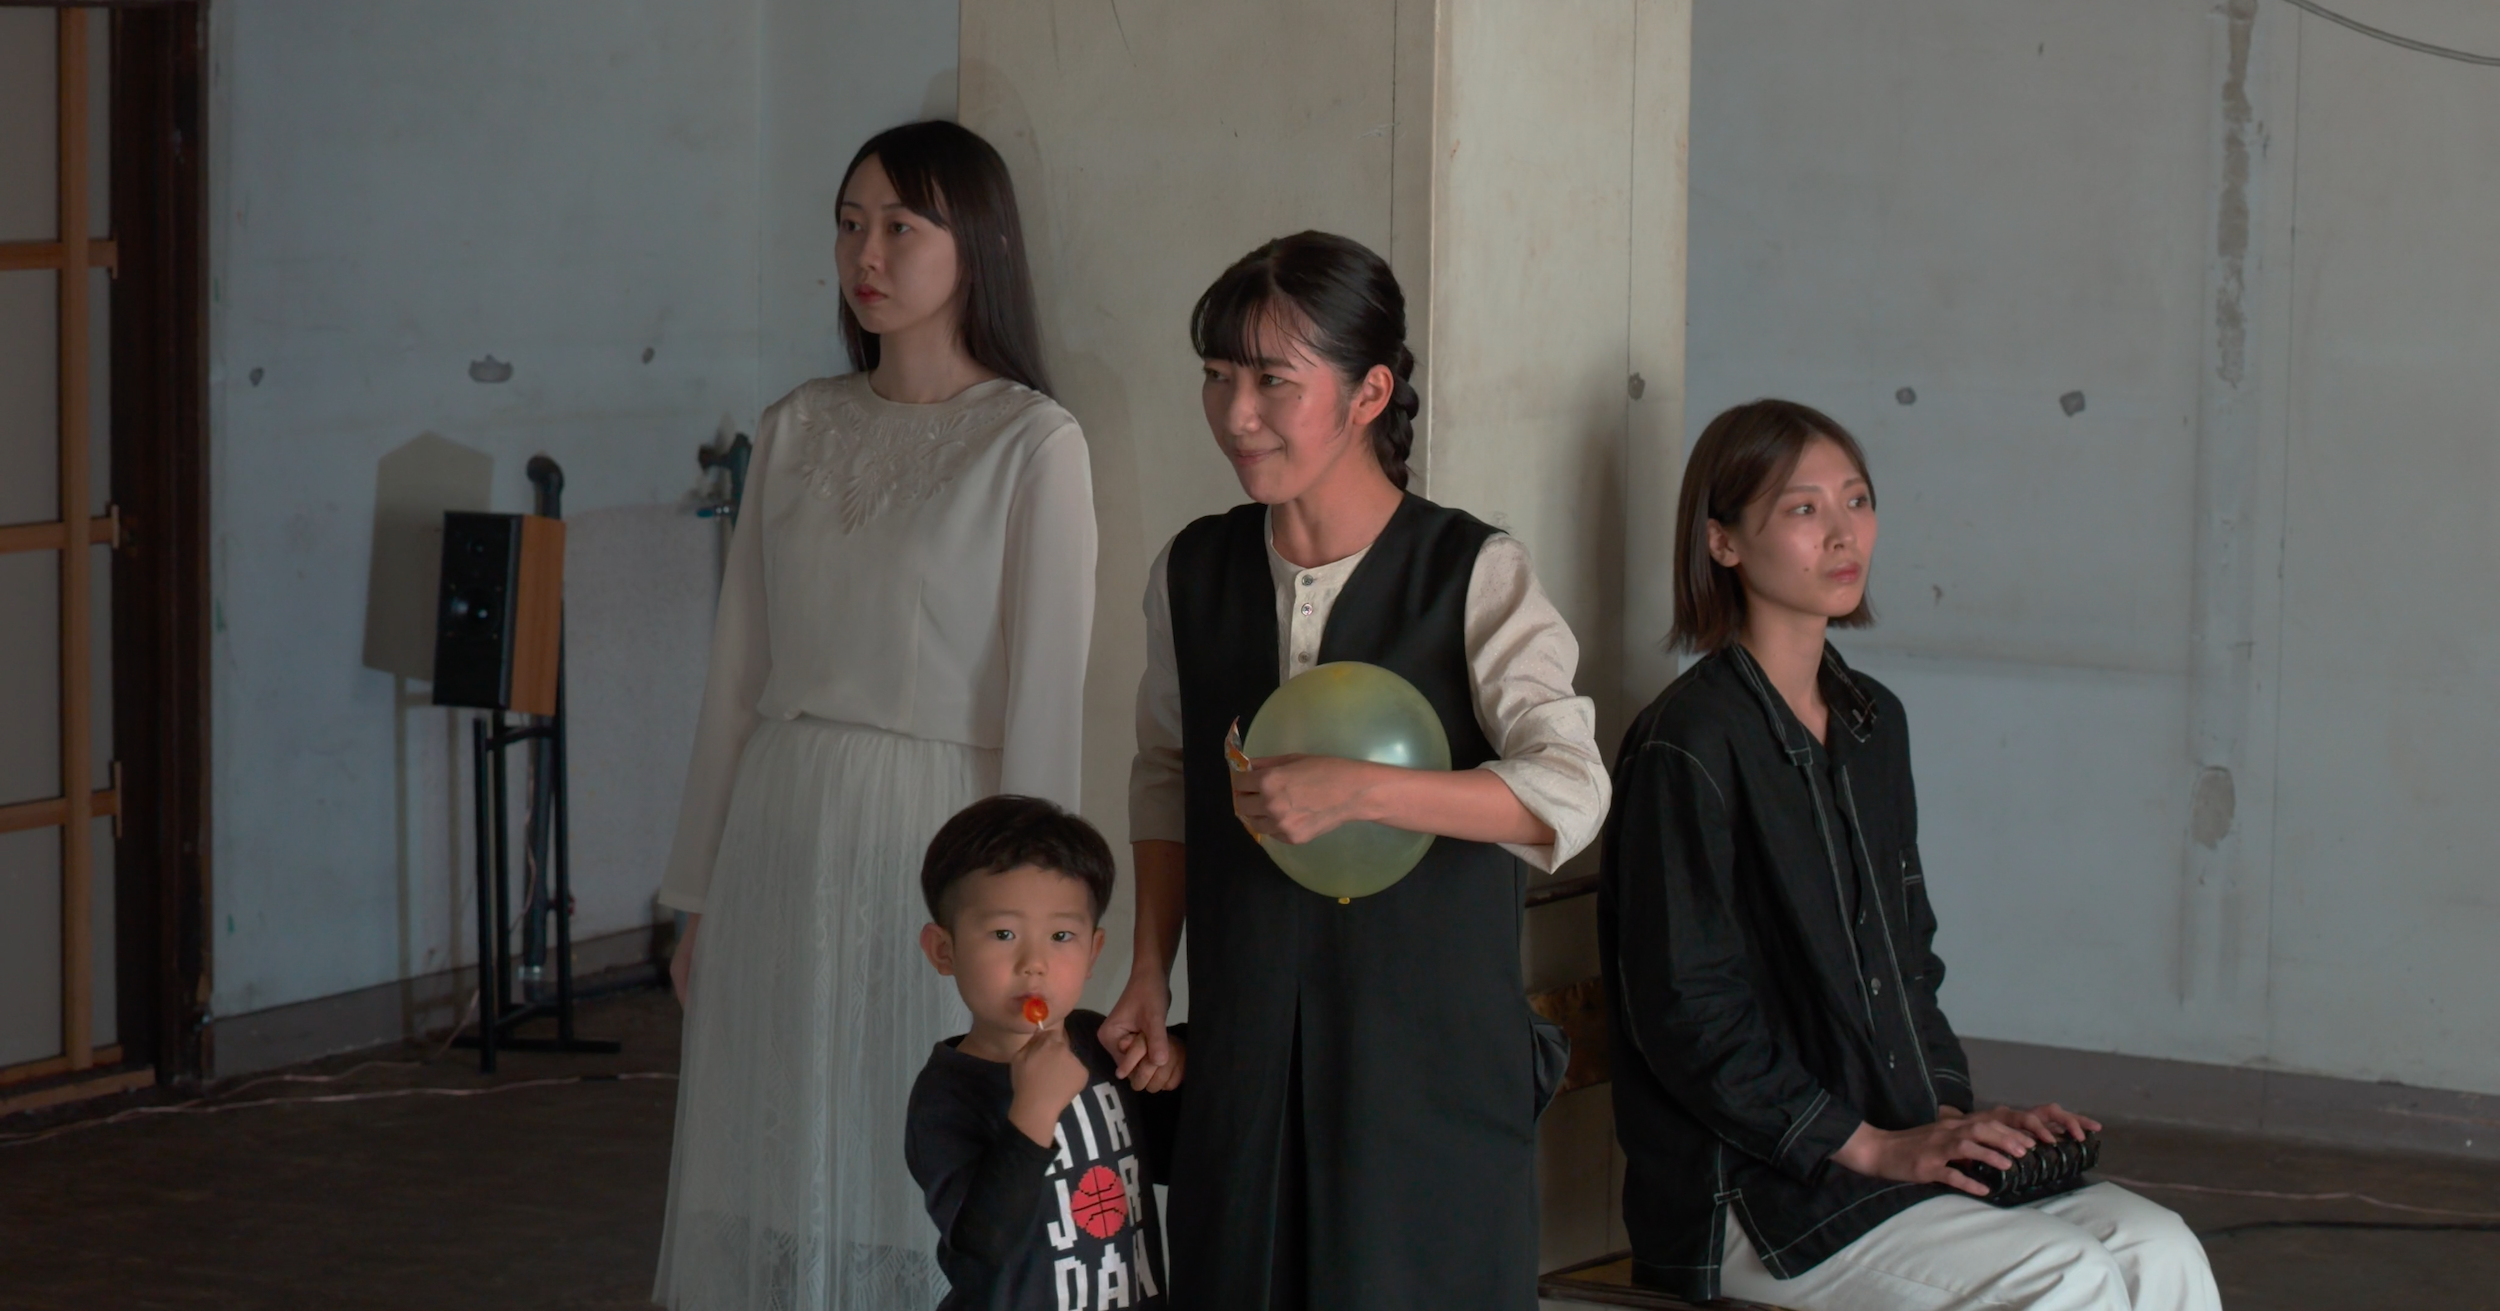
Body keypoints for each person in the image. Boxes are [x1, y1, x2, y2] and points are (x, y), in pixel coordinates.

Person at [1598, 399, 2221, 1310]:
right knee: (2067, 1276)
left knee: (2159, 1247)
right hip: (1754, 1195)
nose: (1843, 532)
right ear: (1722, 542)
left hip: (1888, 1149)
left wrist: (1957, 1122)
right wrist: (1871, 1145)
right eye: (1803, 508)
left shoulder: (1870, 722)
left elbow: (1908, 962)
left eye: (1857, 499)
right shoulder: (1687, 743)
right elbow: (1688, 1015)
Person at [1101, 231, 1612, 1309]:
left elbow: (1572, 788)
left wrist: (1368, 790)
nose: (1236, 413)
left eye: (1273, 382)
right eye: (1217, 376)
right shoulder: (1192, 571)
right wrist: (1149, 968)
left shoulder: (1473, 572)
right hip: (1245, 1063)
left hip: (1428, 1078)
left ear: (1369, 392)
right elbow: (1167, 776)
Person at [652, 121, 1098, 1311]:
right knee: (782, 1144)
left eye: (903, 226)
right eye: (851, 224)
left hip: (935, 831)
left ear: (976, 242)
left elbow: (1044, 700)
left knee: (911, 1152)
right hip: (783, 818)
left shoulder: (1032, 442)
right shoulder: (796, 425)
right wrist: (699, 895)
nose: (868, 253)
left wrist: (1032, 931)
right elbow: (736, 675)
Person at [906, 795, 1185, 1311]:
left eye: (1061, 935)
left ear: (1092, 952)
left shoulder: (1101, 1042)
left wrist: (1172, 1068)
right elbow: (979, 1251)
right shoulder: (946, 1096)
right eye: (1003, 933)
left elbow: (1178, 1155)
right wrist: (1033, 1111)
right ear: (944, 950)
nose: (1034, 962)